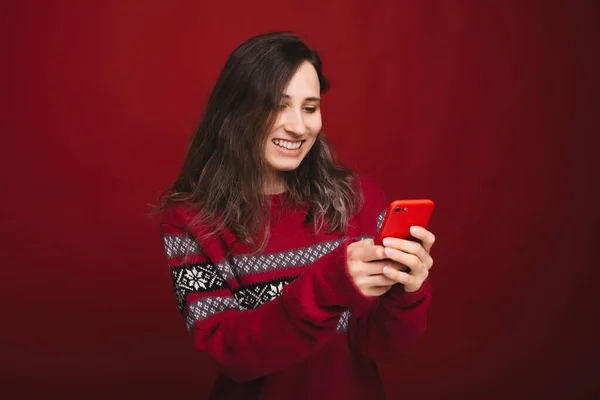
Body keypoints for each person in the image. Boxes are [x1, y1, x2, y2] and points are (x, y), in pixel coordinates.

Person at [157, 32, 435, 400]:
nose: (298, 127)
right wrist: (329, 282)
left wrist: (408, 292)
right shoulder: (188, 221)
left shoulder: (360, 198)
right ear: (235, 110)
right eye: (277, 105)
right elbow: (232, 353)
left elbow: (381, 347)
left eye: (309, 107)